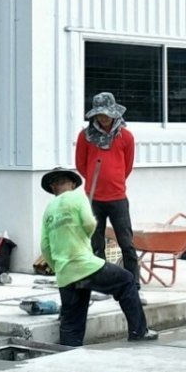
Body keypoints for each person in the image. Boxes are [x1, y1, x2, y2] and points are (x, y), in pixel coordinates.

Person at [34, 167, 159, 347]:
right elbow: (90, 223)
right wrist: (84, 237)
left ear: (53, 187)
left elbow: (45, 246)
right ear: (73, 184)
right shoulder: (78, 198)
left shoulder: (49, 209)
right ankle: (139, 331)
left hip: (65, 272)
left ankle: (67, 351)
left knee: (72, 320)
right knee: (126, 281)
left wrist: (59, 268)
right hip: (85, 265)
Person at [74, 91, 138, 282]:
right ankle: (101, 281)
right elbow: (81, 164)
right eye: (99, 115)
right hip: (94, 198)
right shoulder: (85, 136)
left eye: (106, 114)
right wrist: (96, 181)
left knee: (126, 243)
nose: (103, 118)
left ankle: (133, 282)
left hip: (118, 198)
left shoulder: (126, 136)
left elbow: (127, 166)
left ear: (114, 113)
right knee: (96, 243)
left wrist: (114, 180)